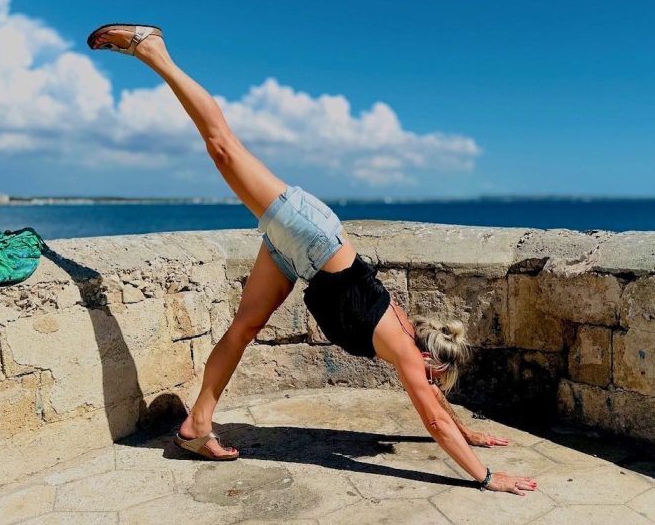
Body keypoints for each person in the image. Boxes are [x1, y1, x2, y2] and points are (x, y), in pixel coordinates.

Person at [87, 24, 538, 496]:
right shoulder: (407, 351)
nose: (432, 386)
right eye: (436, 378)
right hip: (313, 234)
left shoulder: (411, 342)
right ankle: (154, 52)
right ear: (431, 361)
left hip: (298, 257)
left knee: (244, 328)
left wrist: (469, 431)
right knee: (223, 147)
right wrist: (487, 477)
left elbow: (438, 405)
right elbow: (434, 420)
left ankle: (196, 426)